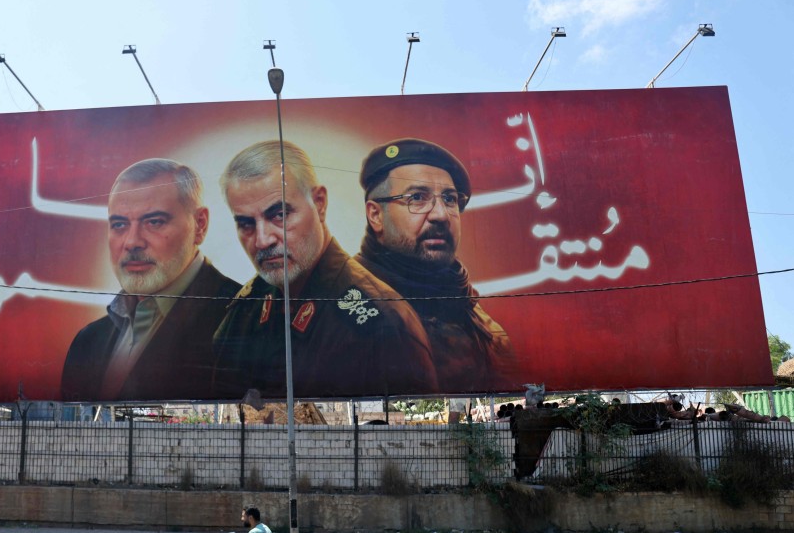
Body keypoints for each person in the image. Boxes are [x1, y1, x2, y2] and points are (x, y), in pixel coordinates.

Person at [211, 140, 438, 399]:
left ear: (319, 204)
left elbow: (409, 431)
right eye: (246, 224)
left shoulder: (383, 323)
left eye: (280, 215)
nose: (263, 240)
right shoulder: (244, 311)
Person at [61, 159, 241, 401]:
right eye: (119, 224)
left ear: (200, 225)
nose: (132, 241)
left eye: (154, 222)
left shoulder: (243, 319)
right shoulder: (87, 342)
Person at [354, 138, 514, 392]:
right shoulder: (346, 305)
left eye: (450, 199)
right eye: (417, 197)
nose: (440, 214)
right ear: (376, 215)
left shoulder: (480, 322)